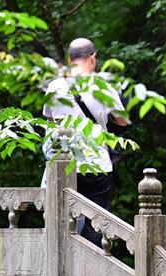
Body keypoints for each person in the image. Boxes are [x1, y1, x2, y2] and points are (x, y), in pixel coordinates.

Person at [43, 38, 129, 246]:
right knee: (96, 223)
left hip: (62, 164)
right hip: (95, 164)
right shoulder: (103, 87)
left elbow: (49, 119)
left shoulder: (54, 86)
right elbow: (123, 121)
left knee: (61, 220)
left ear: (69, 59)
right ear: (93, 58)